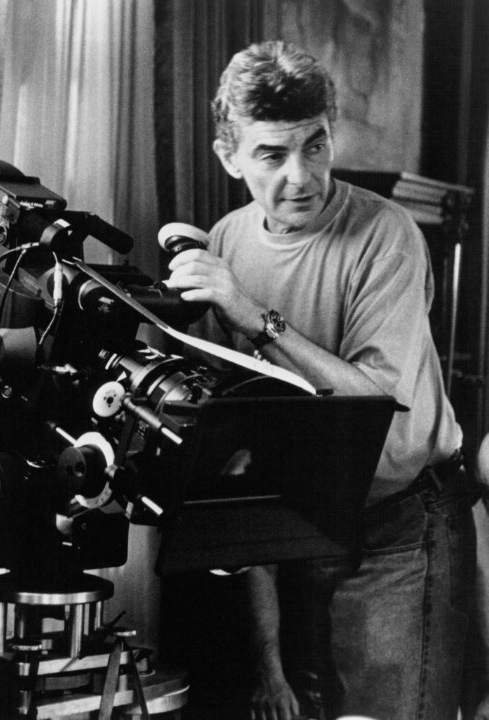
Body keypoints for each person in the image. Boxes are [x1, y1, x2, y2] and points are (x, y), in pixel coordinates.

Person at [164, 40, 480, 720]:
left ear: (331, 132)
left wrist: (251, 314)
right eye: (272, 155)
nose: (301, 176)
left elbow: (376, 406)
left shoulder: (386, 234)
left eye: (314, 145)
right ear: (229, 157)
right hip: (297, 521)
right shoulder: (225, 241)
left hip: (399, 522)